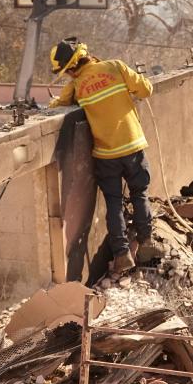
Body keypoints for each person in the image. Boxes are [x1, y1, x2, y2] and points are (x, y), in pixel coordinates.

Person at [48, 39, 155, 275]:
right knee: (140, 193)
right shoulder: (115, 67)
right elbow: (146, 89)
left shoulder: (76, 86)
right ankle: (147, 242)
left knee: (114, 202)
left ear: (72, 68)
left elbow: (58, 106)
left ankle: (122, 254)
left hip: (106, 154)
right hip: (133, 145)